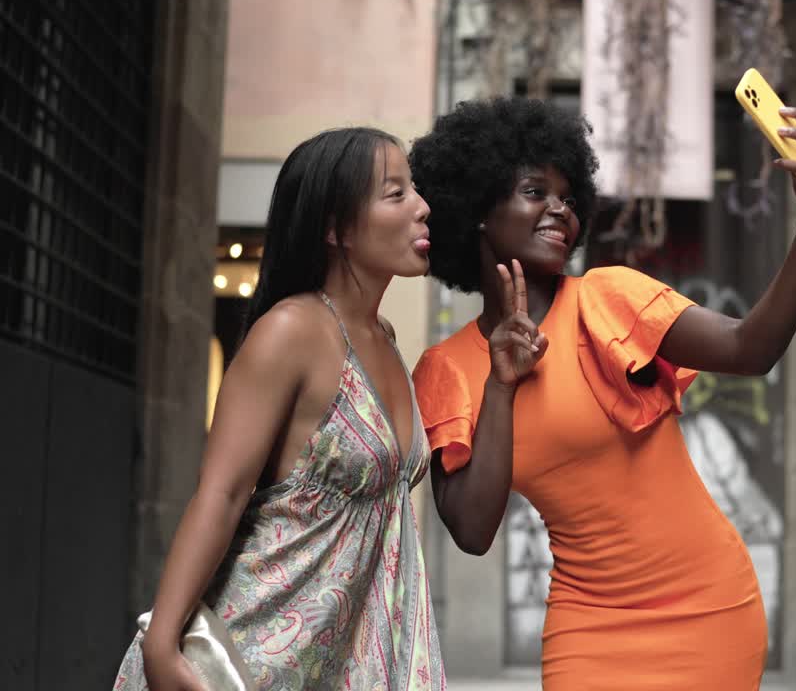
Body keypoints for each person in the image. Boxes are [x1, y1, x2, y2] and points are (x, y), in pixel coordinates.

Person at [409, 96, 796, 689]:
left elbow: (750, 350)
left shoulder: (607, 299)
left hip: (707, 609)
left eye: (567, 197)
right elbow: (474, 532)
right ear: (478, 210)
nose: (560, 209)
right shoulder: (446, 369)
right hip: (589, 628)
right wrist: (501, 385)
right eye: (536, 192)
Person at [113, 127, 543, 690]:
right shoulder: (291, 331)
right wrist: (163, 644)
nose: (423, 207)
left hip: (354, 663)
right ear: (335, 228)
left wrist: (500, 385)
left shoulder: (384, 338)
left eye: (414, 190)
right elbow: (221, 492)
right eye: (396, 194)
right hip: (257, 659)